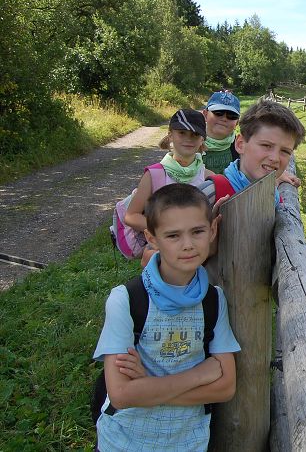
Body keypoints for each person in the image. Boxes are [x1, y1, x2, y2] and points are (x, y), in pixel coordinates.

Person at [93, 184, 240, 451]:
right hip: (124, 442)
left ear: (212, 230)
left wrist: (147, 387)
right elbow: (121, 395)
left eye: (197, 231)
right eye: (173, 235)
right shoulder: (126, 299)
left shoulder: (214, 300)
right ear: (152, 238)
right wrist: (199, 375)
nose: (188, 245)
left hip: (189, 443)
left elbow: (225, 387)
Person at [124, 109, 213, 266]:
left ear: (202, 140)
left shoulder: (208, 177)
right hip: (162, 260)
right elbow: (131, 216)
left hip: (196, 257)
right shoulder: (154, 175)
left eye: (194, 134)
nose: (188, 139)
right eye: (182, 133)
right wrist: (166, 230)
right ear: (170, 135)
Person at [199, 97, 305, 205]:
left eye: (285, 151)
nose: (275, 158)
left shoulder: (274, 198)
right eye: (266, 145)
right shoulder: (207, 196)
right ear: (240, 144)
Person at [201, 91, 241, 175]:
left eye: (231, 116)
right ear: (205, 114)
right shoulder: (192, 142)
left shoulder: (240, 147)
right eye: (218, 113)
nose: (224, 118)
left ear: (237, 122)